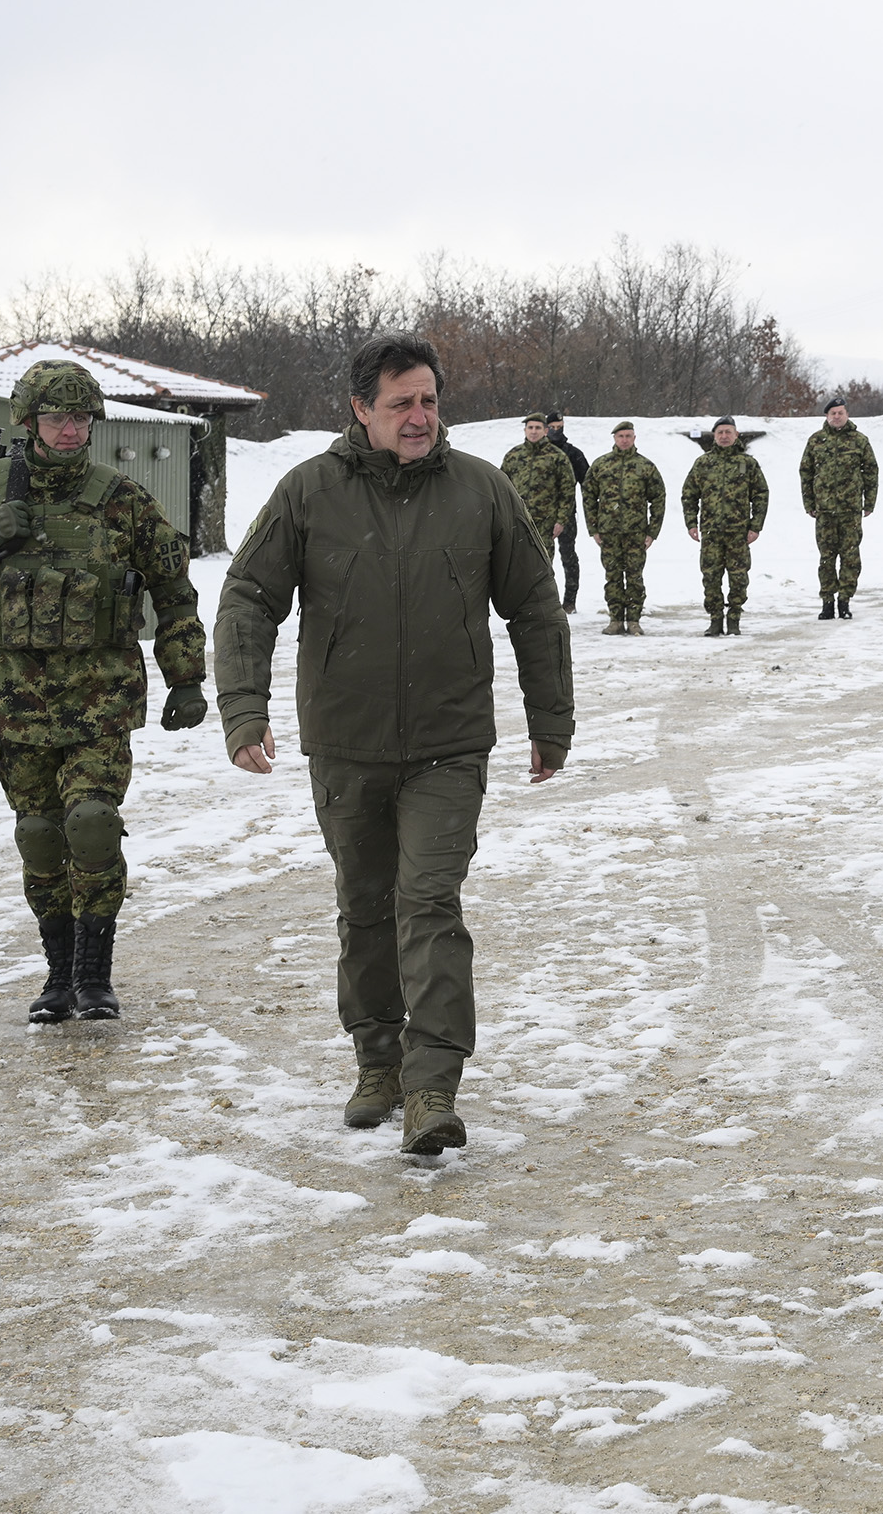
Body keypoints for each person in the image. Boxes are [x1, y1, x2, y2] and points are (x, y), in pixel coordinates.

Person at [214, 331, 574, 1156]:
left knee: (429, 902)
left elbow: (535, 607)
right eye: (401, 402)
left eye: (430, 401)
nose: (420, 417)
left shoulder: (482, 490)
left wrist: (551, 720)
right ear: (360, 409)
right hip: (347, 741)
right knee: (366, 904)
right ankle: (377, 1058)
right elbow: (247, 598)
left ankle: (432, 1085)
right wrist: (243, 706)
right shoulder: (309, 492)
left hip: (450, 742)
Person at [0, 359, 209, 1024]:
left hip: (100, 698)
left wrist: (185, 676)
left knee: (91, 824)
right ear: (29, 421)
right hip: (14, 702)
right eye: (56, 417)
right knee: (41, 836)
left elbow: (173, 590)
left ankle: (93, 975)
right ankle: (57, 974)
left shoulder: (122, 498)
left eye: (80, 417)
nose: (70, 429)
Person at [680, 417, 767, 636]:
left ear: (736, 435)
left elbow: (760, 495)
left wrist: (755, 526)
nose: (724, 436)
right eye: (720, 433)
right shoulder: (703, 463)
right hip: (711, 532)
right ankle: (715, 619)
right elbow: (689, 495)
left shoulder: (747, 463)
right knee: (711, 577)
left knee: (738, 577)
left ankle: (734, 617)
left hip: (739, 533)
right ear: (714, 436)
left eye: (728, 432)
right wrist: (691, 523)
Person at [801, 397, 878, 619]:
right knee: (826, 558)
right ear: (827, 416)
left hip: (850, 510)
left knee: (850, 557)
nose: (837, 416)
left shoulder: (859, 440)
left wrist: (869, 502)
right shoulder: (816, 441)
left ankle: (844, 601)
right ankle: (827, 602)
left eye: (840, 412)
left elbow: (871, 472)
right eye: (833, 413)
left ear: (846, 414)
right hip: (824, 510)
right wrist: (809, 503)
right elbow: (805, 473)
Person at [585, 421, 665, 635]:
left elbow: (658, 499)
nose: (624, 440)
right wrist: (593, 528)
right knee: (612, 576)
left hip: (636, 534)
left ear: (634, 438)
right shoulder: (601, 465)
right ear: (614, 438)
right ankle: (615, 619)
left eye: (628, 436)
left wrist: (652, 532)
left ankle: (634, 620)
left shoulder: (645, 466)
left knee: (635, 577)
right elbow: (588, 496)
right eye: (621, 436)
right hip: (608, 533)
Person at [503, 413, 576, 588]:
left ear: (545, 431)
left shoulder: (557, 457)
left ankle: (540, 610)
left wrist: (561, 520)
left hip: (545, 525)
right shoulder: (514, 456)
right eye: (530, 428)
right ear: (525, 430)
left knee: (542, 569)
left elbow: (567, 491)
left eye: (537, 428)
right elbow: (502, 489)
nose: (533, 432)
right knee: (517, 568)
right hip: (518, 522)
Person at [543, 412, 591, 612]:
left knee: (568, 557)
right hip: (539, 515)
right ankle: (544, 600)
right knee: (540, 559)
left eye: (559, 426)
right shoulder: (537, 453)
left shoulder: (573, 454)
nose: (556, 430)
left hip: (566, 516)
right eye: (552, 426)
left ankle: (570, 601)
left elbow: (588, 485)